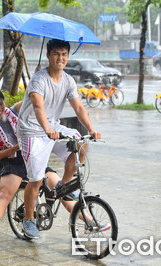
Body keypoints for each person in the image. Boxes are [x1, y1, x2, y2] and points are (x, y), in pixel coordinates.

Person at [17, 39, 102, 239]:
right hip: (31, 131)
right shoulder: (38, 80)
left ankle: (62, 186)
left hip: (52, 127)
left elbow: (79, 107)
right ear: (48, 55)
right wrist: (46, 129)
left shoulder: (68, 81)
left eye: (64, 54)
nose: (60, 58)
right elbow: (38, 107)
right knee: (36, 179)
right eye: (56, 54)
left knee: (80, 143)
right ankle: (29, 220)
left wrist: (91, 128)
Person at [0, 88, 75, 241]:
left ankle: (89, 222)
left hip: (31, 156)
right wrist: (16, 148)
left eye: (0, 103)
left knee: (61, 189)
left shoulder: (15, 111)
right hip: (11, 162)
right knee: (5, 194)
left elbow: (32, 98)